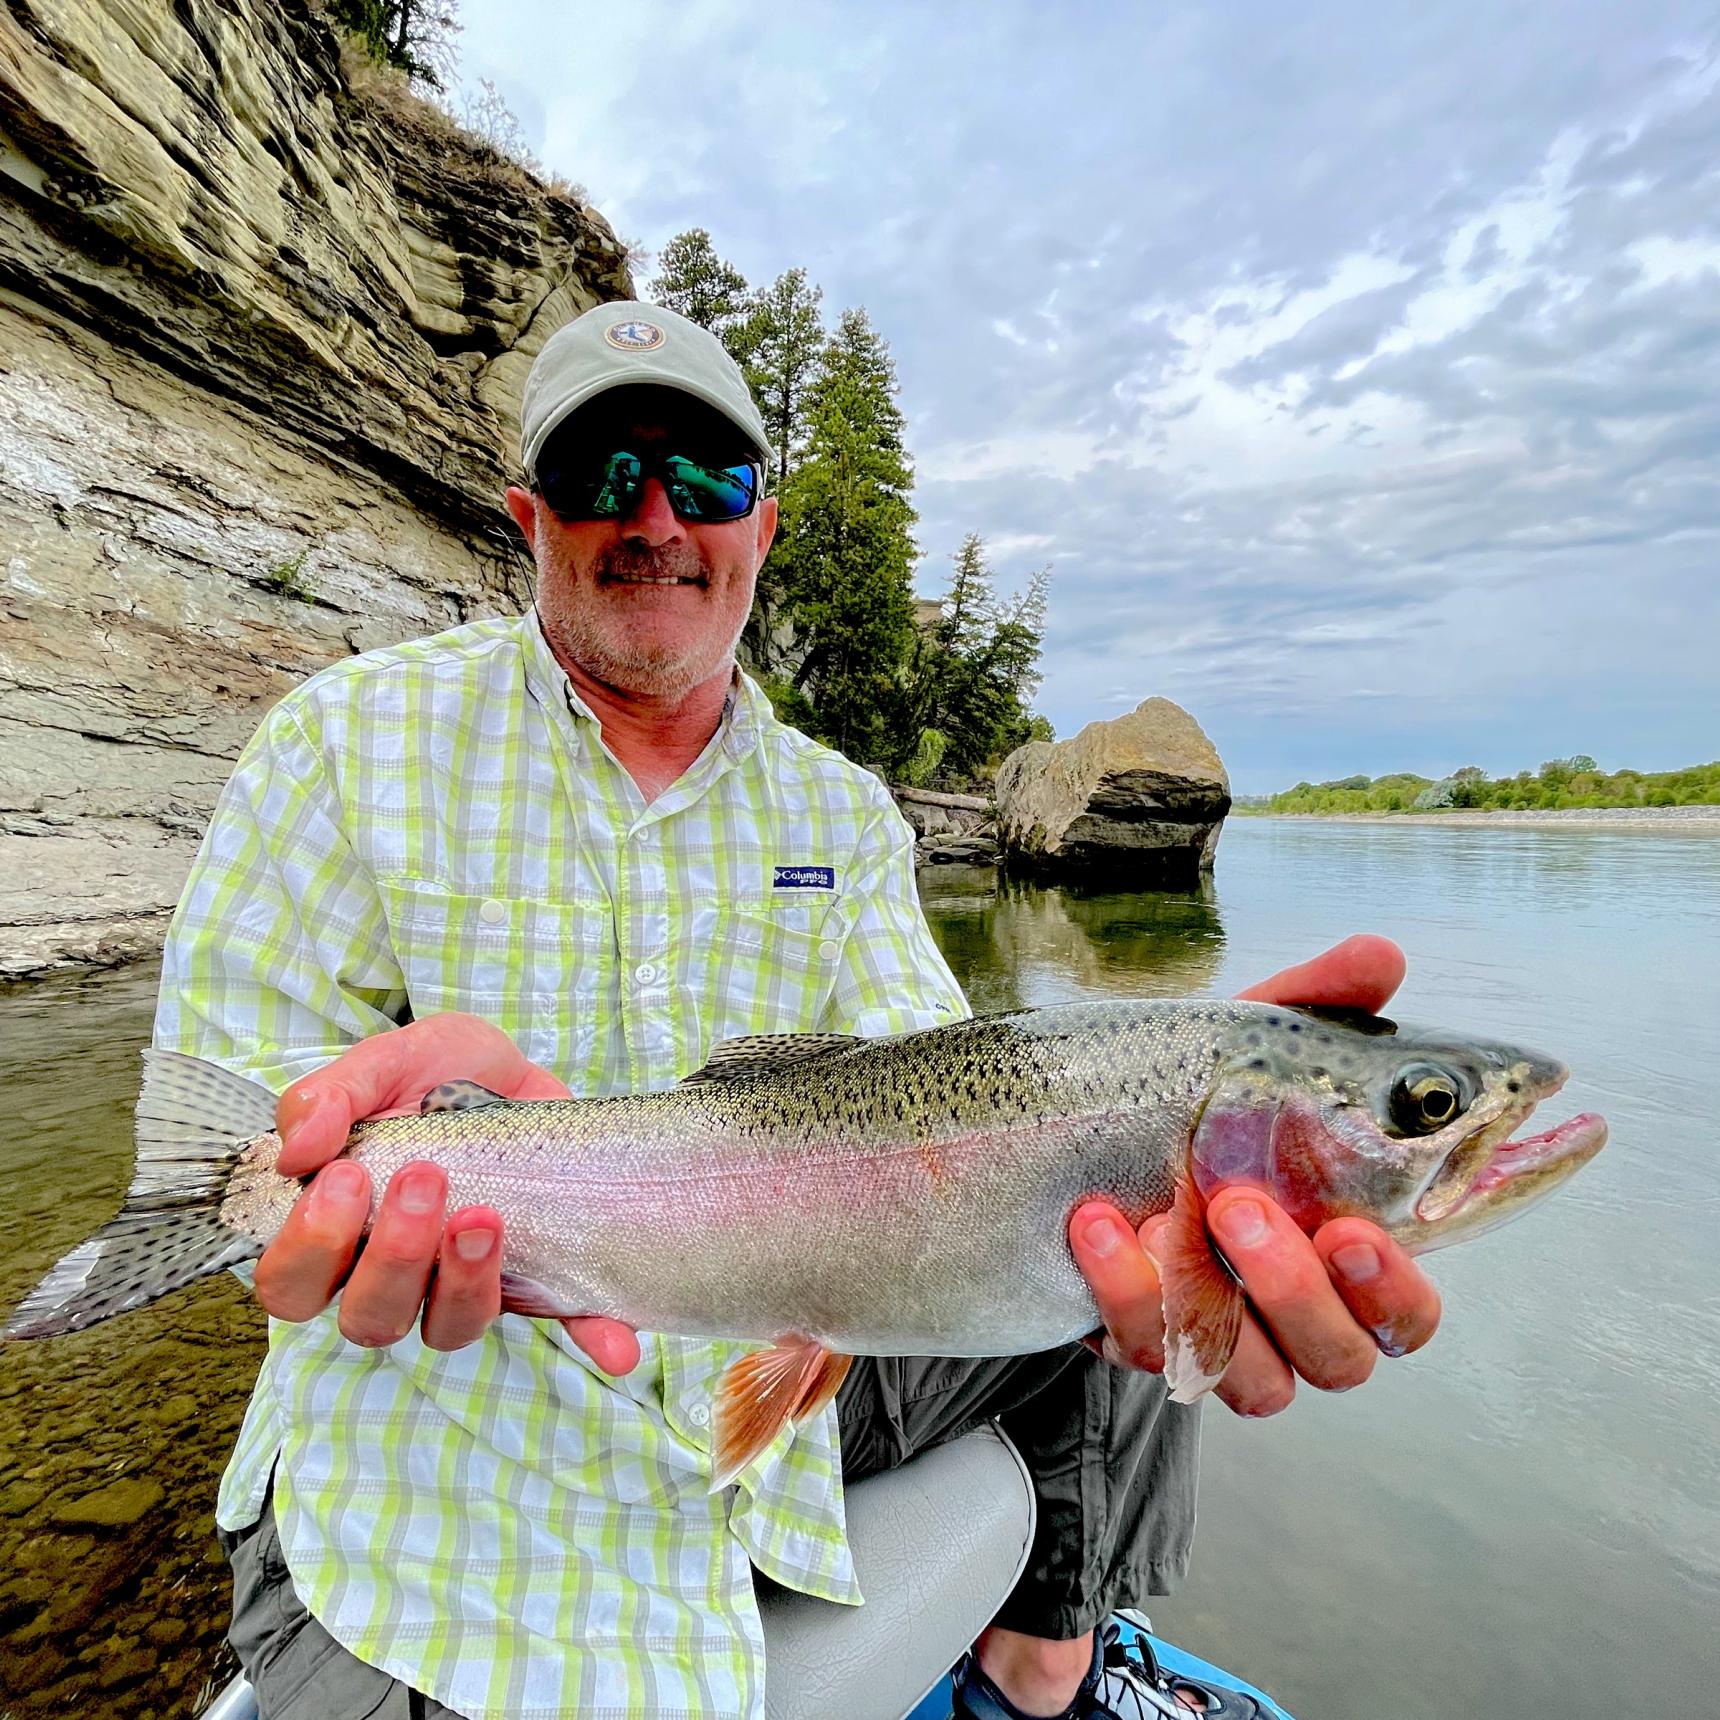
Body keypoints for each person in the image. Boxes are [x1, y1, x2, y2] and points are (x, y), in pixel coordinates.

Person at [154, 300, 1441, 1720]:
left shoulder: (843, 810)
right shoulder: (338, 745)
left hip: (785, 1385)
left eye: (703, 479)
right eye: (603, 478)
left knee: (1135, 1226)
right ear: (531, 517)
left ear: (763, 520)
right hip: (441, 1508)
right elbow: (244, 1177)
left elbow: (953, 1092)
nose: (656, 519)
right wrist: (316, 1168)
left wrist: (1150, 1096)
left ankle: (1054, 1669)